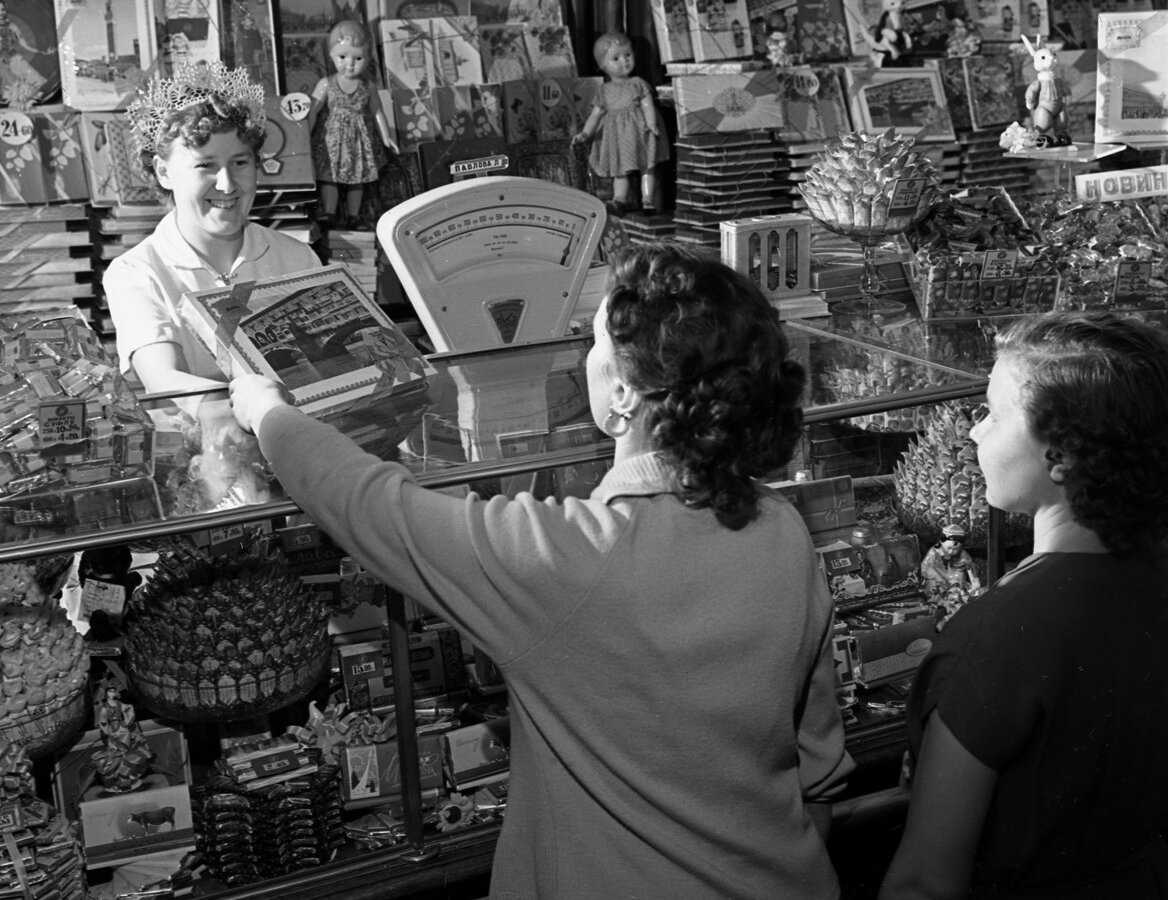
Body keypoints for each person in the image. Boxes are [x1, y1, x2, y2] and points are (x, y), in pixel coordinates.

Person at [229, 243, 853, 899]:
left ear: (621, 394)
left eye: (590, 341)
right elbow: (818, 771)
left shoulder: (566, 558)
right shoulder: (782, 530)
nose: (582, 355)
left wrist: (268, 411)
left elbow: (370, 505)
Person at [880, 311, 1168, 900]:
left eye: (992, 412)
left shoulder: (998, 636)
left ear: (1059, 455)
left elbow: (926, 883)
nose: (974, 431)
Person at [104, 62, 322, 507]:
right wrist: (243, 404)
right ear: (164, 172)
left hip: (301, 474)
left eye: (240, 162)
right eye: (205, 165)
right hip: (196, 487)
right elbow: (161, 375)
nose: (227, 183)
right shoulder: (136, 271)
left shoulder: (295, 257)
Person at [309, 20, 398, 229]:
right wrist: (306, 133)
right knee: (329, 178)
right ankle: (330, 212)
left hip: (358, 143)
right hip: (330, 143)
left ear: (368, 59)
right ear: (331, 55)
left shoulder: (368, 86)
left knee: (356, 179)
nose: (349, 64)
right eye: (342, 57)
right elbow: (312, 111)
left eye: (358, 58)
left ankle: (353, 215)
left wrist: (386, 136)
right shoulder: (326, 85)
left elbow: (377, 111)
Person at [572, 32, 669, 216]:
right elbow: (596, 114)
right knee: (620, 170)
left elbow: (647, 104)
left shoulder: (637, 83)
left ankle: (648, 199)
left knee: (647, 166)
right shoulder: (604, 90)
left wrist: (651, 123)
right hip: (617, 138)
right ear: (603, 65)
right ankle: (619, 200)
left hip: (641, 133)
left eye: (628, 55)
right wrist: (585, 133)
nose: (624, 61)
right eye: (615, 58)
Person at [0, 0, 51, 107]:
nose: (0, 12)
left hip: (13, 59)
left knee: (35, 83)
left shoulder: (12, 26)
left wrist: (41, 52)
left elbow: (25, 45)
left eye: (3, 9)